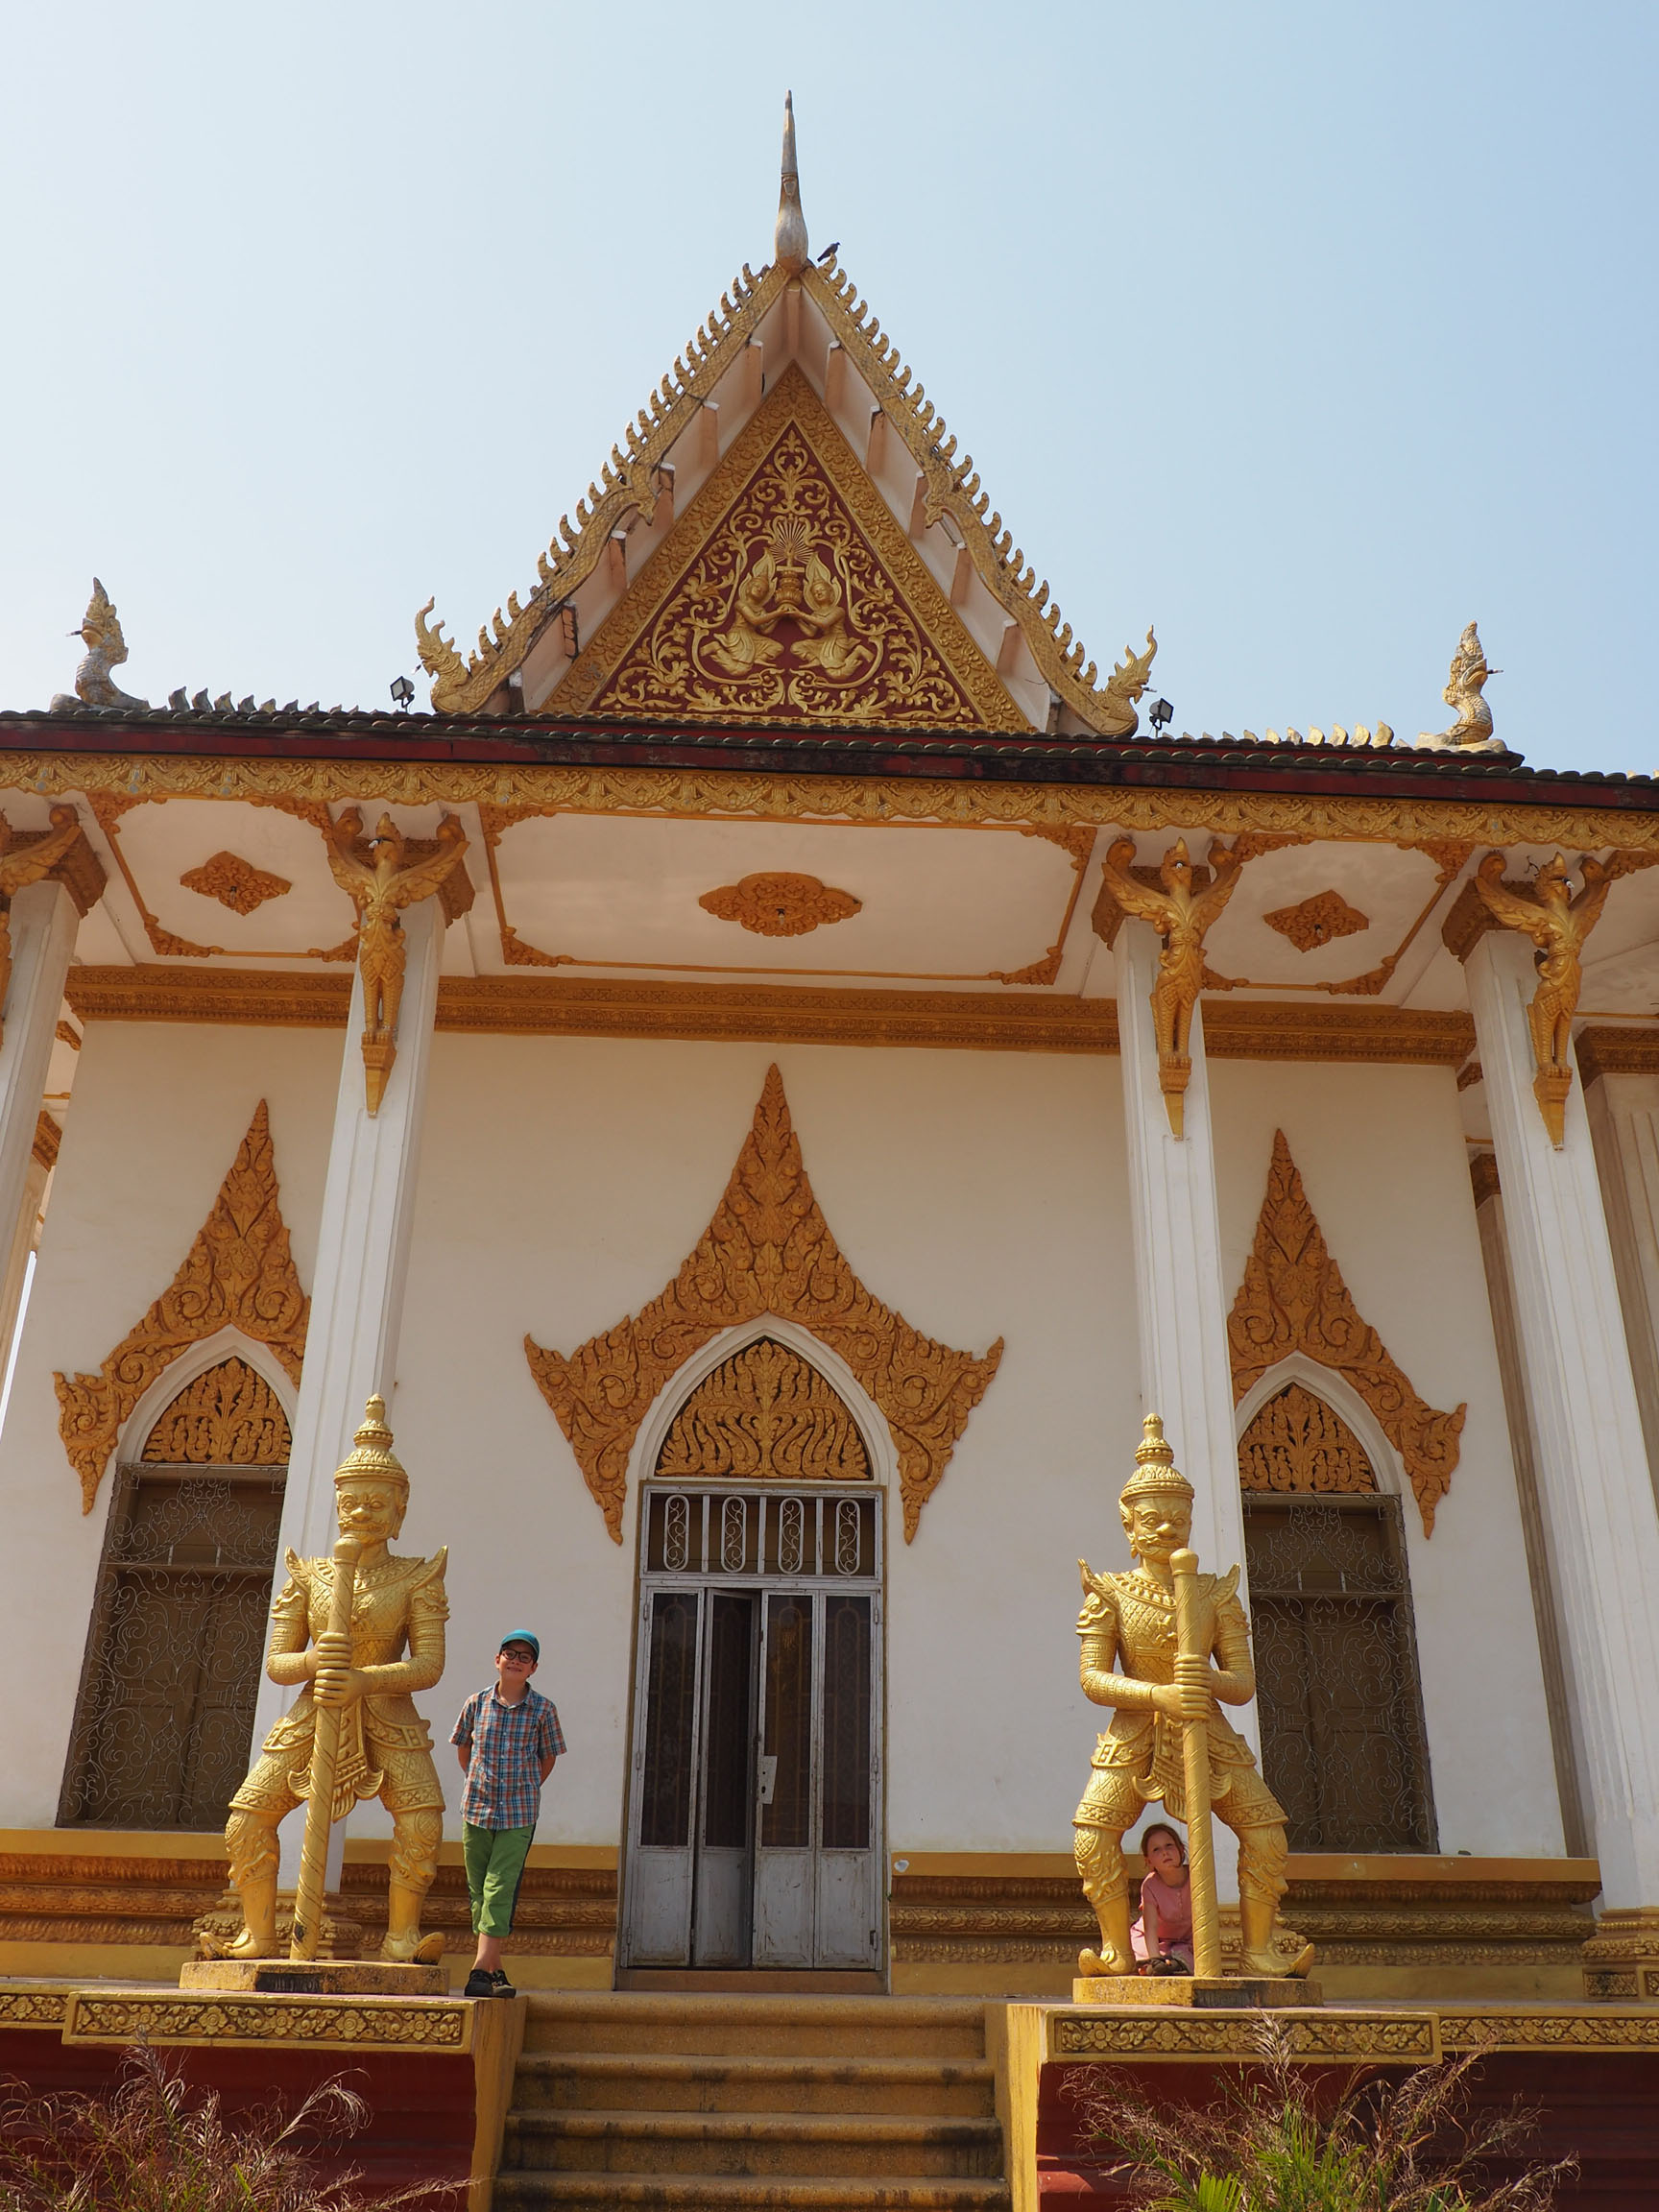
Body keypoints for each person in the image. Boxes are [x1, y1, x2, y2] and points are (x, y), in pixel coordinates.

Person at [451, 1632, 565, 1999]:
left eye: (524, 1657)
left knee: (499, 1886)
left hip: (519, 1812)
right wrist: (478, 1781)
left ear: (533, 1668)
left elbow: (548, 1757)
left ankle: (477, 1971)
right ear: (497, 1660)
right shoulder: (476, 1703)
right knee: (478, 1889)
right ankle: (495, 1970)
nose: (515, 1660)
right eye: (509, 1654)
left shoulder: (543, 1710)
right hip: (477, 1808)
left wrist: (525, 1787)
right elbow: (464, 1749)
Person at [1131, 1821, 1195, 1972]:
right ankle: (1159, 1967)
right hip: (1154, 1940)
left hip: (1185, 1942)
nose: (1165, 1852)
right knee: (1147, 1959)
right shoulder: (1150, 1885)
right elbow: (1151, 1928)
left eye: (1169, 1846)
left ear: (1181, 1849)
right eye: (1156, 1850)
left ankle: (1176, 1965)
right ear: (1149, 1861)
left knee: (1189, 1957)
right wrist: (1155, 1959)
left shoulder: (1196, 1876)